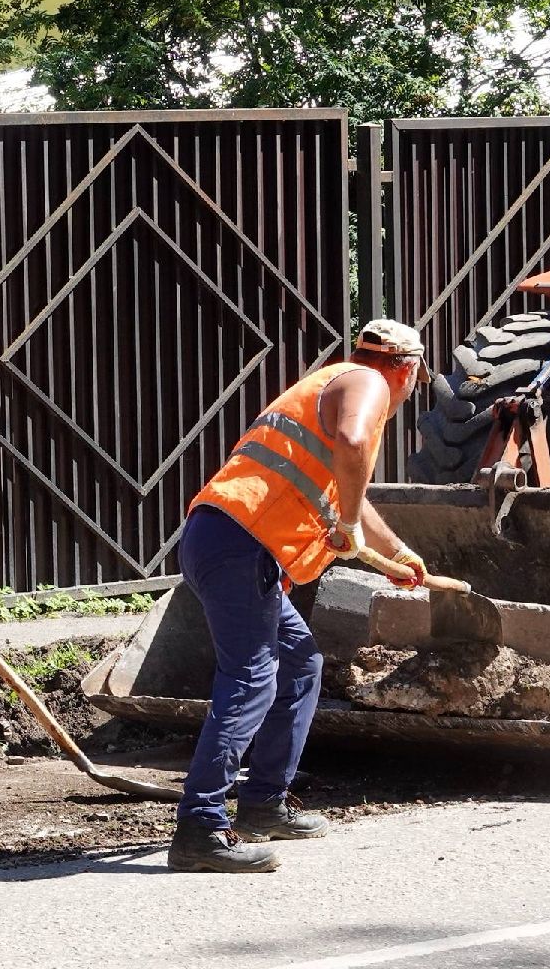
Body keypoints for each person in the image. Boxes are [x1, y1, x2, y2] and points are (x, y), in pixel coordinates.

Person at [167, 319, 431, 873]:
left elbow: (339, 485)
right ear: (405, 369)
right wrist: (352, 522)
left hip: (220, 536)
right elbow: (356, 446)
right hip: (242, 544)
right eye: (415, 381)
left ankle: (264, 803)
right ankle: (200, 826)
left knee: (300, 660)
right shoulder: (369, 382)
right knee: (251, 678)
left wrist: (398, 552)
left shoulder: (329, 384)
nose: (408, 393)